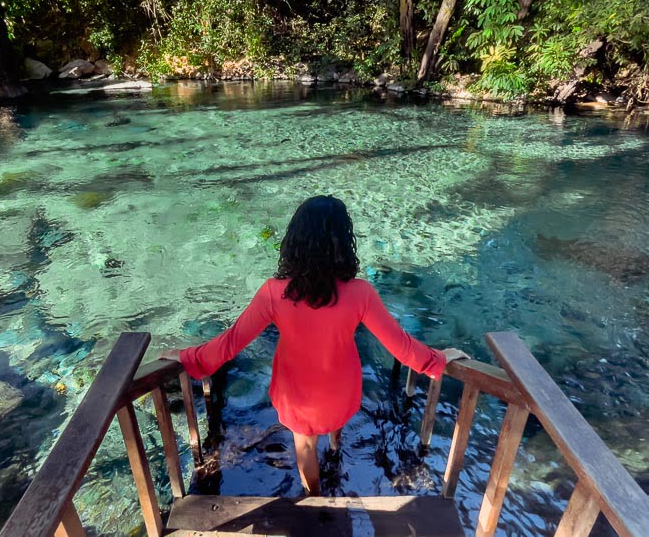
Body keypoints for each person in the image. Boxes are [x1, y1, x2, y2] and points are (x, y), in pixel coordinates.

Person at [160, 195, 468, 495]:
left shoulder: (273, 293)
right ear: (343, 244)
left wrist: (185, 357)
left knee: (305, 446)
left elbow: (229, 344)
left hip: (297, 398)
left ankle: (314, 497)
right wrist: (439, 359)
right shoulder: (361, 294)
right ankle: (335, 447)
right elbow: (403, 348)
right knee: (335, 421)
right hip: (341, 393)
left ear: (294, 241)